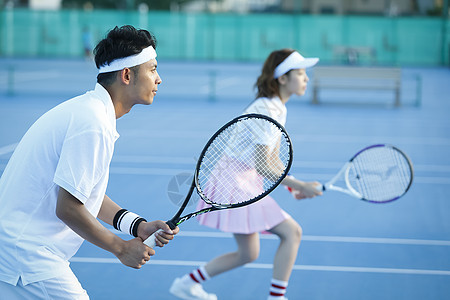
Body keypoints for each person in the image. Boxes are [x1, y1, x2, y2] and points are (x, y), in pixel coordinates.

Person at [0, 25, 179, 299]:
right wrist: (121, 248)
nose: (159, 79)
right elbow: (68, 208)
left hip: (16, 250)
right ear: (127, 75)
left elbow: (83, 194)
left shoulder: (91, 113)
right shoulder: (93, 123)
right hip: (28, 255)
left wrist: (137, 226)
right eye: (153, 69)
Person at [169, 49, 322, 300]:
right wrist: (301, 184)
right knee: (292, 232)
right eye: (301, 73)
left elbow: (270, 161)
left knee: (248, 253)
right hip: (235, 182)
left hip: (244, 180)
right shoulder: (267, 109)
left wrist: (291, 186)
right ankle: (276, 298)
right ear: (283, 78)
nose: (306, 78)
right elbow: (264, 166)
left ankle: (185, 284)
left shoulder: (276, 107)